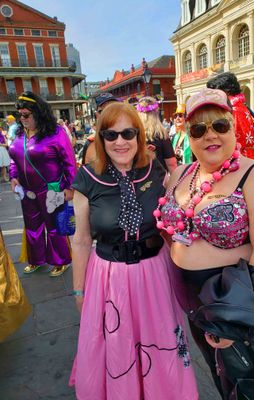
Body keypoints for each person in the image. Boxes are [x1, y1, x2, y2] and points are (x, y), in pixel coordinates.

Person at [155, 88, 254, 399]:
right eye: (198, 129)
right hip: (194, 306)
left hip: (236, 306)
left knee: (251, 386)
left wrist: (236, 320)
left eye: (219, 125)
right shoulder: (182, 173)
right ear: (187, 134)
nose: (210, 136)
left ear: (234, 126)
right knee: (221, 378)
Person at [69, 102, 198, 399]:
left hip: (154, 273)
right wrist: (79, 289)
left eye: (128, 133)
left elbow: (174, 219)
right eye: (110, 135)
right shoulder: (87, 178)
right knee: (118, 343)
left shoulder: (156, 171)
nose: (120, 141)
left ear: (139, 136)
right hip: (108, 278)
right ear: (100, 139)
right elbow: (81, 239)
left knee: (160, 340)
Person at [9, 91, 77, 277]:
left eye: (26, 115)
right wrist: (14, 176)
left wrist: (70, 187)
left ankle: (60, 260)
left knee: (54, 227)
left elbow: (70, 162)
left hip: (52, 190)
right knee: (32, 226)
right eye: (19, 115)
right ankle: (36, 259)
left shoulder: (56, 133)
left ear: (38, 113)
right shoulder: (20, 134)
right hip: (27, 192)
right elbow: (14, 159)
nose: (22, 119)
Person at [207, 72, 254, 161]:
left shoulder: (232, 109)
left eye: (216, 92)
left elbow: (232, 137)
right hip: (250, 157)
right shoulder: (240, 105)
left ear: (226, 91)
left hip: (239, 160)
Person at [137, 96, 177, 173]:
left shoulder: (133, 135)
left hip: (138, 181)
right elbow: (171, 164)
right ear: (156, 114)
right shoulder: (161, 134)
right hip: (159, 179)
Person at [81, 92, 119, 165]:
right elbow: (86, 173)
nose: (110, 114)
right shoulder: (90, 144)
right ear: (97, 115)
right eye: (104, 111)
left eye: (114, 109)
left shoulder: (130, 138)